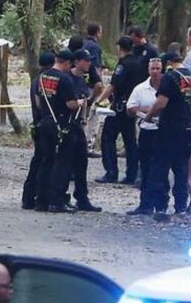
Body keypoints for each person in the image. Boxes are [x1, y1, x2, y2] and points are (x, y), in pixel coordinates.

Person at [143, 51, 191, 219]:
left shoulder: (170, 77)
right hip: (189, 126)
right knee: (181, 168)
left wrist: (149, 116)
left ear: (167, 63)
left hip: (169, 127)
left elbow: (161, 103)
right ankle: (181, 205)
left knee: (160, 167)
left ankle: (160, 206)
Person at [36, 50, 80, 213]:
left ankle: (41, 200)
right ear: (67, 63)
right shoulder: (65, 79)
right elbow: (71, 104)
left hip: (46, 121)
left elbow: (39, 102)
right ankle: (57, 200)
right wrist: (80, 102)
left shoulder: (43, 76)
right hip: (61, 124)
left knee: (46, 161)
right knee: (63, 163)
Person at [94, 36, 140, 185]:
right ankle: (132, 174)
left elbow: (113, 85)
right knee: (130, 141)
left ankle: (111, 172)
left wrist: (98, 101)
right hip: (132, 106)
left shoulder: (123, 64)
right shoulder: (138, 63)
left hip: (120, 107)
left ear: (120, 48)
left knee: (108, 138)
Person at [60, 49, 102, 212]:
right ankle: (62, 196)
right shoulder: (67, 79)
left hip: (79, 125)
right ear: (76, 62)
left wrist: (90, 102)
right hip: (68, 124)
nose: (89, 64)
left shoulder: (82, 79)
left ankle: (82, 197)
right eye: (86, 60)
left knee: (81, 162)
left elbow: (87, 98)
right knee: (66, 162)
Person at [125, 57, 164, 215]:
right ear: (148, 70)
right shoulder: (140, 88)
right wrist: (144, 112)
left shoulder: (166, 87)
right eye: (152, 69)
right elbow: (130, 107)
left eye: (157, 69)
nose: (155, 72)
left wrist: (152, 110)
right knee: (146, 168)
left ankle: (161, 204)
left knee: (160, 169)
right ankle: (145, 205)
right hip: (146, 130)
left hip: (162, 132)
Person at [21, 52, 56, 210]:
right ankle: (39, 196)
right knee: (44, 160)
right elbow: (40, 104)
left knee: (37, 160)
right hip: (44, 123)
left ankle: (28, 197)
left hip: (37, 123)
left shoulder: (36, 80)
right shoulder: (44, 82)